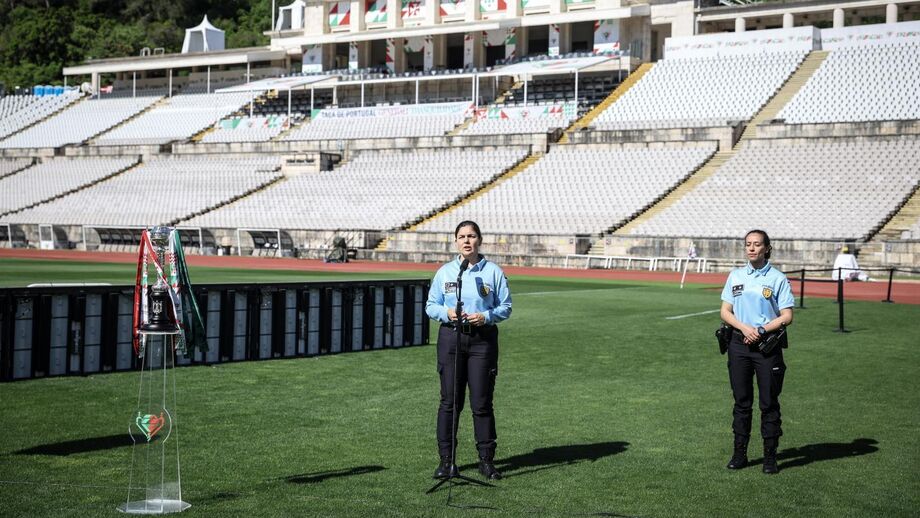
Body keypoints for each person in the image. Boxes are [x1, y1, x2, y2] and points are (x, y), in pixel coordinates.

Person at [425, 221, 512, 481]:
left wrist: (485, 317)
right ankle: (446, 462)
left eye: (471, 236)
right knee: (449, 403)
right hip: (451, 339)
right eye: (461, 236)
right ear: (455, 242)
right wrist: (447, 312)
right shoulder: (446, 272)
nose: (466, 241)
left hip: (482, 342)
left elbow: (506, 306)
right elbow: (431, 305)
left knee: (481, 403)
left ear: (479, 240)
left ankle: (486, 461)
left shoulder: (493, 272)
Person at [719, 229, 794, 474]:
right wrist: (744, 328)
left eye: (757, 244)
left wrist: (760, 330)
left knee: (769, 403)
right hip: (739, 344)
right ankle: (739, 454)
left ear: (767, 248)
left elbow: (787, 316)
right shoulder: (736, 275)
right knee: (742, 402)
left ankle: (770, 458)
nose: (751, 248)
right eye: (748, 244)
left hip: (766, 347)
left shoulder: (777, 278)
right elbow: (725, 311)